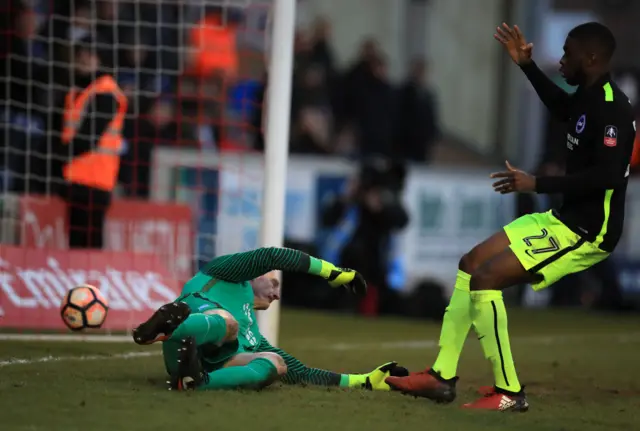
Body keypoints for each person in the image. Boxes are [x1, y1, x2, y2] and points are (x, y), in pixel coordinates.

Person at [385, 22, 635, 412]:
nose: (562, 59)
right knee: (471, 264)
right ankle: (441, 377)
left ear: (591, 58)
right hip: (561, 218)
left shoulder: (615, 110)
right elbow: (561, 107)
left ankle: (510, 393)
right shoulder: (585, 97)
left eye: (568, 53)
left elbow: (606, 176)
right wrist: (526, 65)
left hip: (588, 230)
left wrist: (536, 183)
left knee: (488, 279)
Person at [133, 247, 408, 391]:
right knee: (228, 323)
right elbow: (273, 256)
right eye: (274, 284)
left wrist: (364, 381)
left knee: (276, 364)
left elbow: (303, 373)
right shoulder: (227, 273)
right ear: (257, 275)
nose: (276, 294)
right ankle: (165, 329)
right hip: (182, 338)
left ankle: (196, 382)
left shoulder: (253, 334)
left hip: (194, 364)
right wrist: (332, 272)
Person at [54, 36, 127, 248]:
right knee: (78, 246)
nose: (83, 59)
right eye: (80, 55)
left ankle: (89, 282)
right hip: (77, 178)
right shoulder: (81, 91)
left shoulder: (105, 94)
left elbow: (89, 137)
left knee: (87, 247)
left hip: (94, 181)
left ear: (101, 59)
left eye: (89, 55)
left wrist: (58, 157)